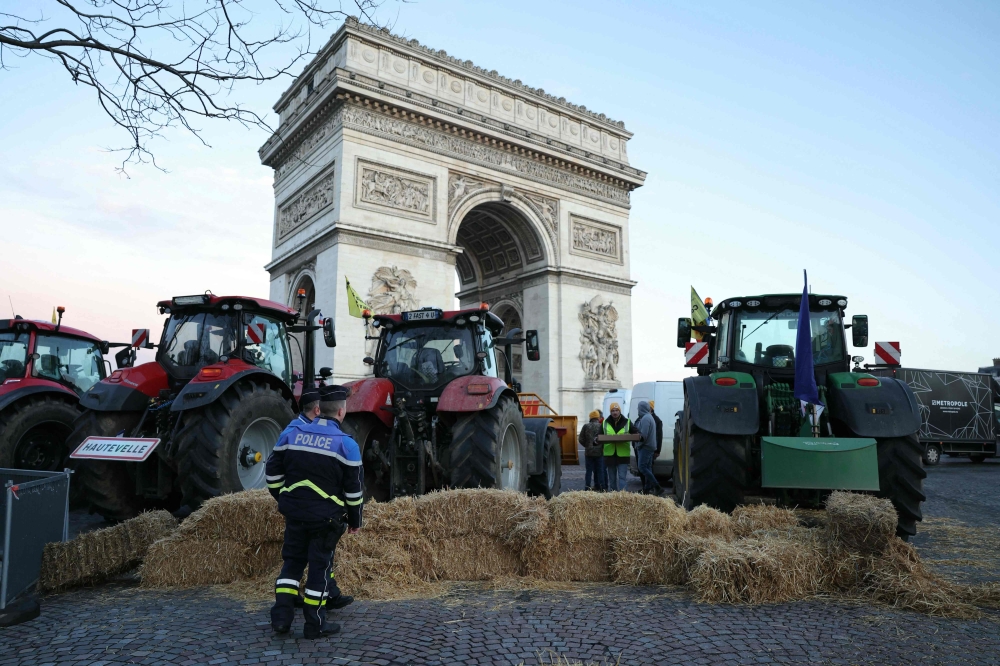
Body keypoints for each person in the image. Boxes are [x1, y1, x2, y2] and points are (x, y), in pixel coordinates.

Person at [265, 384, 364, 639]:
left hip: (295, 514)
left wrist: (285, 499)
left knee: (292, 565)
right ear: (341, 412)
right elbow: (354, 492)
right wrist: (355, 521)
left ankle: (281, 620)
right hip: (325, 519)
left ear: (320, 410)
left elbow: (272, 474)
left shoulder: (292, 434)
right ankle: (314, 625)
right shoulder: (347, 445)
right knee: (319, 569)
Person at [603, 402, 637, 491]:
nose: (615, 412)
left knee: (622, 477)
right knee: (612, 479)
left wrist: (639, 435)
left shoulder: (627, 422)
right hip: (610, 455)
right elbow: (598, 435)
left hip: (623, 455)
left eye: (617, 410)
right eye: (613, 410)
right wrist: (595, 440)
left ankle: (622, 497)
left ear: (620, 411)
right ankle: (613, 497)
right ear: (610, 412)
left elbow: (635, 432)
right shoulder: (605, 422)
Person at [635, 401, 664, 496]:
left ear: (641, 408)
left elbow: (644, 436)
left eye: (638, 408)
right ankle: (647, 489)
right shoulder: (649, 417)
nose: (637, 410)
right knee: (648, 468)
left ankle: (657, 486)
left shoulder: (645, 419)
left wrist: (638, 445)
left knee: (642, 467)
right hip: (650, 447)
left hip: (645, 447)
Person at [579, 411, 605, 491]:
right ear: (598, 417)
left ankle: (587, 488)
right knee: (600, 471)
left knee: (589, 472)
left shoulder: (586, 426)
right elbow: (605, 439)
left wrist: (587, 446)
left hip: (589, 452)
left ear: (590, 417)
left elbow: (580, 439)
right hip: (599, 453)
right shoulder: (601, 426)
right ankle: (602, 488)